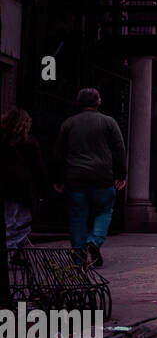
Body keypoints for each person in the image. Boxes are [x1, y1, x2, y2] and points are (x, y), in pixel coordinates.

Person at [52, 88, 126, 267]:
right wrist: (120, 174)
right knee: (104, 211)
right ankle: (94, 240)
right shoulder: (109, 122)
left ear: (79, 103)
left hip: (75, 177)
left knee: (78, 217)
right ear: (98, 102)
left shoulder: (68, 124)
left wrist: (58, 178)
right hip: (102, 176)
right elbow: (119, 149)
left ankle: (79, 257)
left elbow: (59, 153)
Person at [1, 108, 45, 250]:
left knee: (9, 221)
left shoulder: (4, 141)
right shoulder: (29, 142)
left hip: (6, 187)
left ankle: (11, 249)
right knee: (23, 223)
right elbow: (38, 168)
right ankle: (12, 249)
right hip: (22, 189)